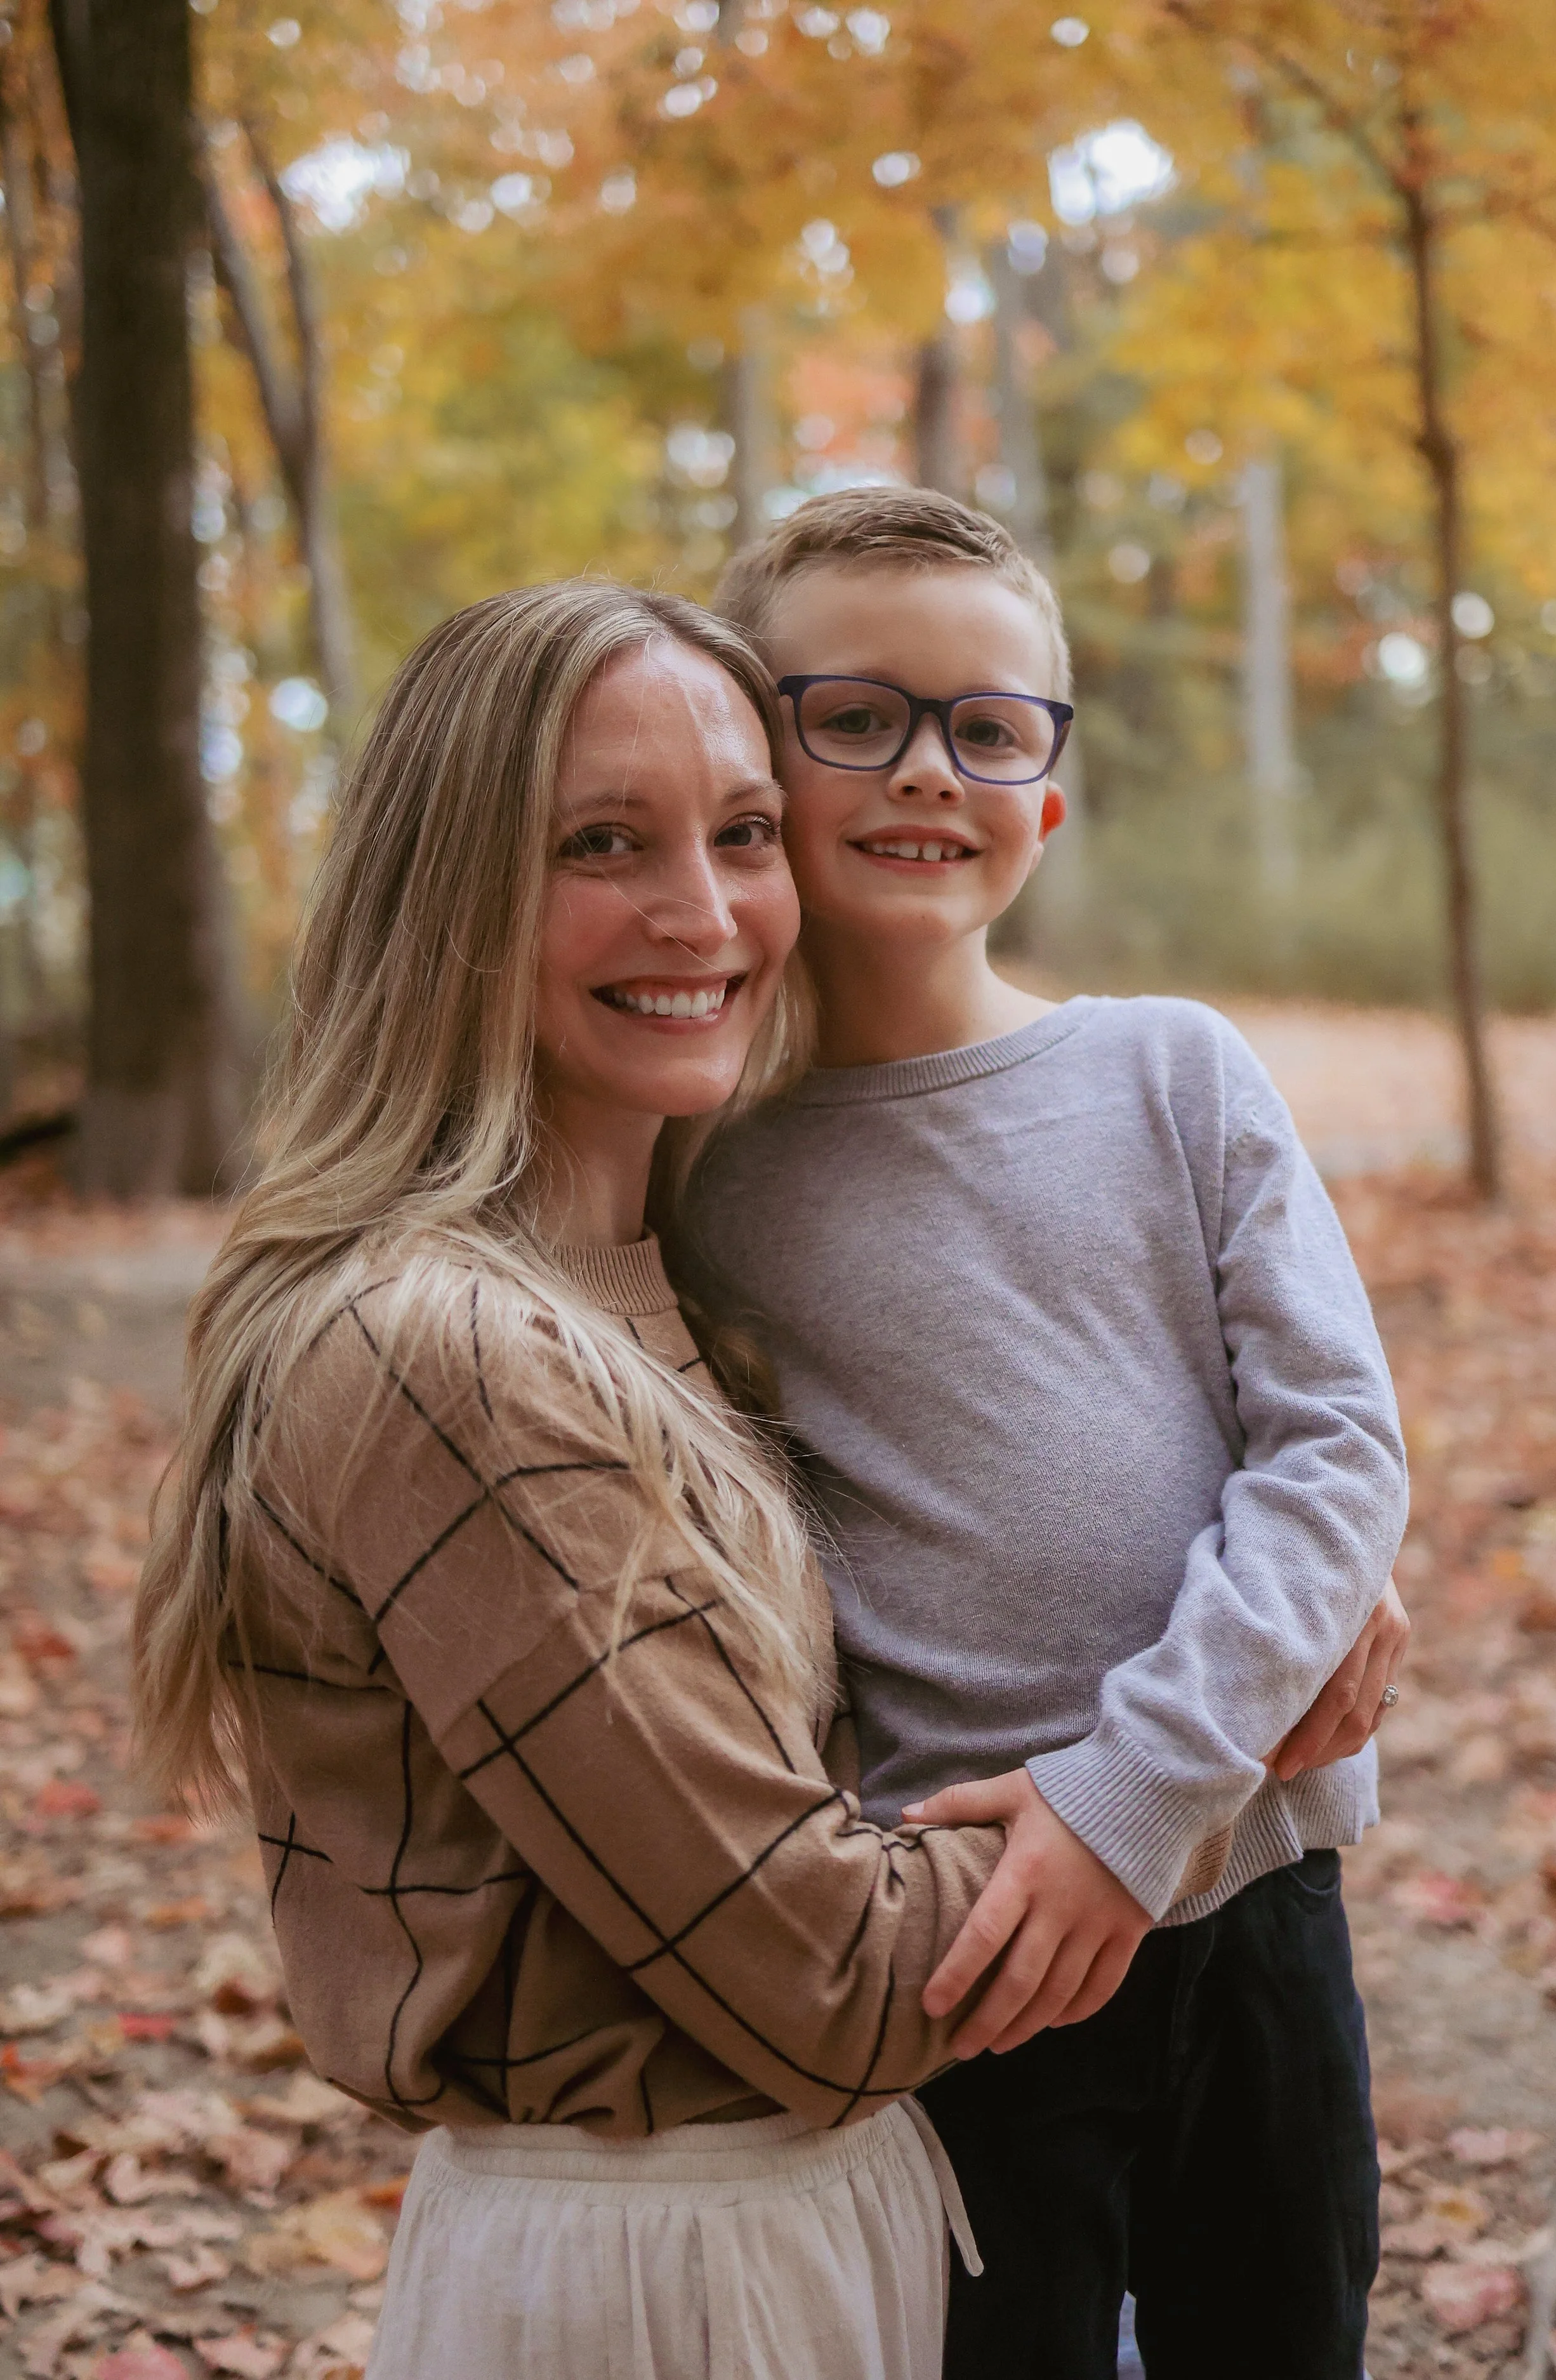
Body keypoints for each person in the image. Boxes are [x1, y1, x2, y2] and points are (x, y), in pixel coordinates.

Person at [131, 580, 1036, 2380]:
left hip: (782, 2226)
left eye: (743, 832)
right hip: (660, 2287)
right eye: (601, 843)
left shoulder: (668, 1272)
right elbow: (830, 1982)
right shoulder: (437, 1349)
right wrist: (1193, 1771)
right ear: (449, 898)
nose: (700, 913)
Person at [675, 487, 1411, 2379]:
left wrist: (1135, 1794)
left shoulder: (1170, 1069)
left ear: (1046, 792)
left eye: (985, 727)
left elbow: (1334, 1451)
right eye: (854, 713)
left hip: (1247, 1887)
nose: (927, 768)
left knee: (1282, 2331)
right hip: (961, 1937)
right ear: (749, 755)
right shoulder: (696, 1166)